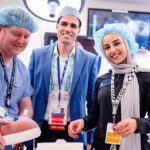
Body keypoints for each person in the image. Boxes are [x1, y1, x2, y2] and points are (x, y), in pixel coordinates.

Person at [68, 23, 150, 150]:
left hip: (136, 144)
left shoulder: (145, 77)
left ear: (127, 44)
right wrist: (83, 123)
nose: (112, 50)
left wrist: (137, 124)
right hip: (102, 145)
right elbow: (95, 117)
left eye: (117, 43)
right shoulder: (102, 80)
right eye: (106, 47)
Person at [26, 5, 97, 150]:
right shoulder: (37, 55)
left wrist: (90, 138)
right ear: (57, 26)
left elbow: (92, 102)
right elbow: (27, 96)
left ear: (78, 30)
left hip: (74, 128)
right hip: (41, 126)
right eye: (64, 24)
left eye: (73, 25)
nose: (68, 29)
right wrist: (23, 133)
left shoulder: (90, 60)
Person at [0, 6, 38, 150]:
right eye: (16, 34)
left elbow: (26, 105)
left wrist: (22, 125)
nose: (21, 41)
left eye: (26, 37)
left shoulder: (22, 69)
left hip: (12, 139)